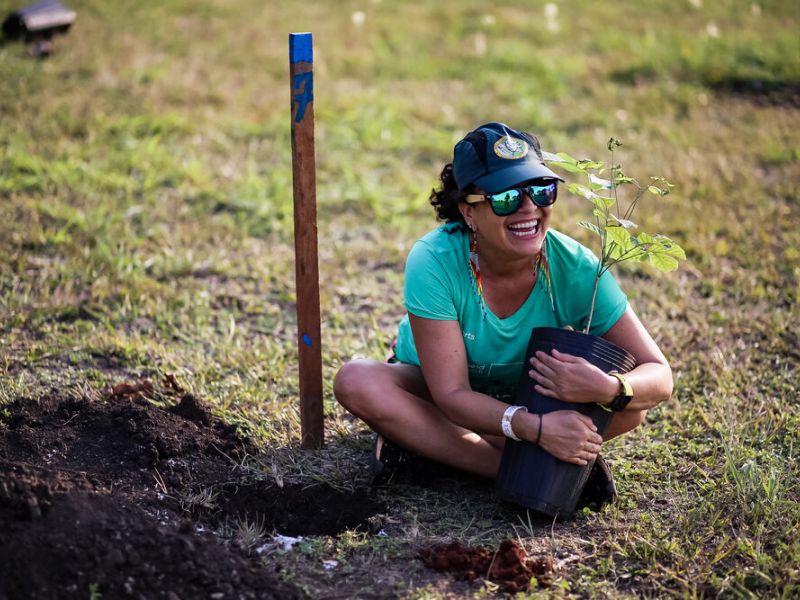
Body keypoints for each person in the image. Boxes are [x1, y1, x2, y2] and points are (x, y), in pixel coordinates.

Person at [333, 122, 673, 492]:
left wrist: (609, 387)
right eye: (506, 198)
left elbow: (658, 375)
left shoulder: (575, 265)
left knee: (631, 410)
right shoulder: (434, 260)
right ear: (468, 213)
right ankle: (514, 470)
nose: (529, 209)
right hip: (434, 389)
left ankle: (430, 448)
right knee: (357, 381)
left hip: (524, 393)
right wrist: (538, 431)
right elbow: (452, 395)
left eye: (541, 192)